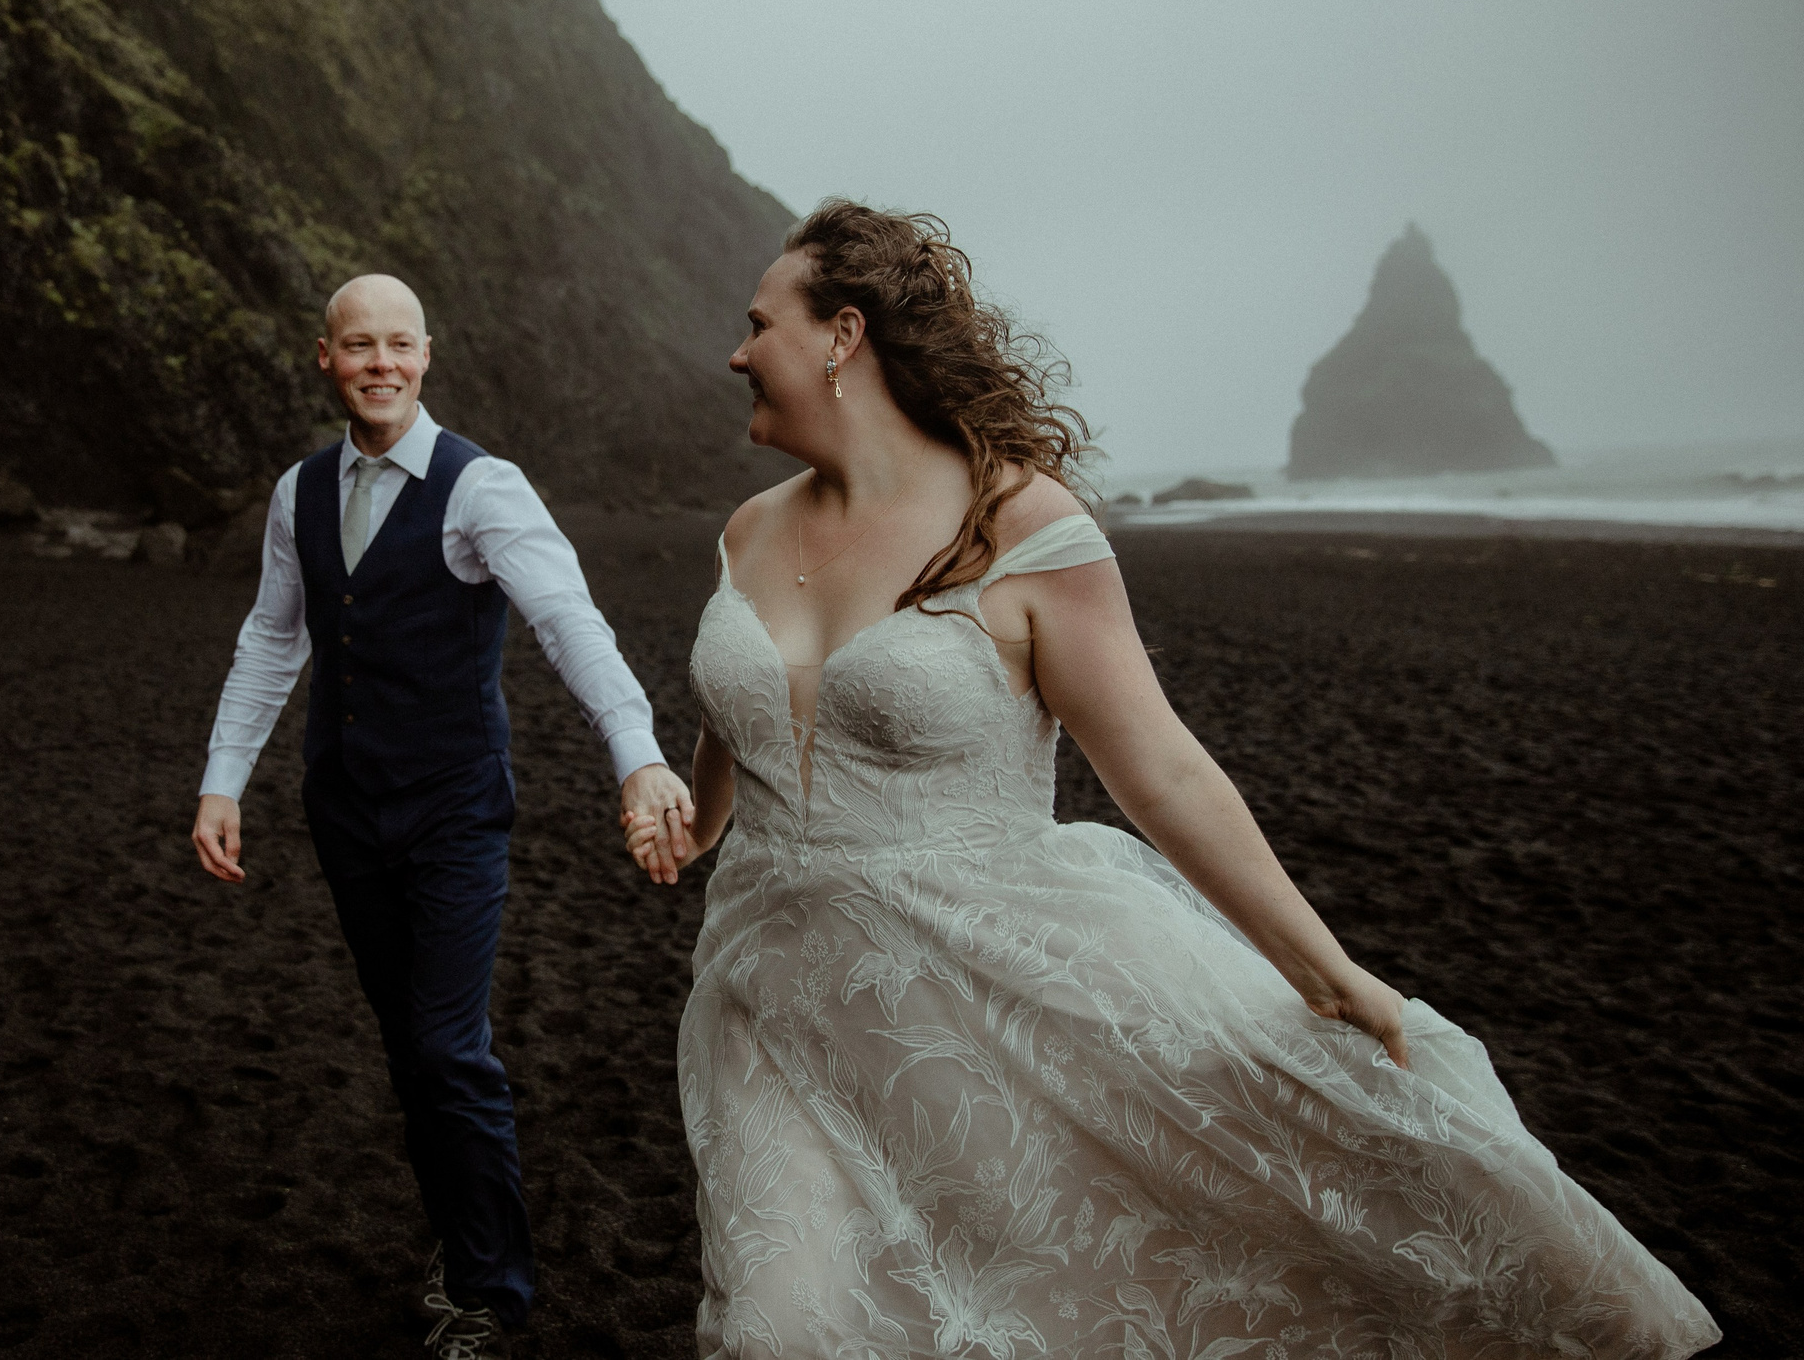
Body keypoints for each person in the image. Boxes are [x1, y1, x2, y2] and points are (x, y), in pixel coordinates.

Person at [624, 202, 1719, 1358]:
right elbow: (743, 712)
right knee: (780, 1329)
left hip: (978, 981)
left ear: (841, 335)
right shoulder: (747, 532)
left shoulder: (1024, 527)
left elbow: (1164, 773)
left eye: (759, 324)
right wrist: (694, 824)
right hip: (768, 996)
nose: (738, 351)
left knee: (1028, 1297)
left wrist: (1324, 967)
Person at [192, 273, 695, 1358]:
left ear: (427, 356)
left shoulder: (483, 488)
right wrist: (223, 778)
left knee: (444, 1045)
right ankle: (465, 1244)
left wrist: (638, 758)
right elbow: (275, 641)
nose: (380, 363)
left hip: (454, 810)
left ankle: (490, 1292)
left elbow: (569, 621)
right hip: (342, 807)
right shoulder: (298, 493)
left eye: (399, 345)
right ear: (324, 358)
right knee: (407, 1047)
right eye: (358, 345)